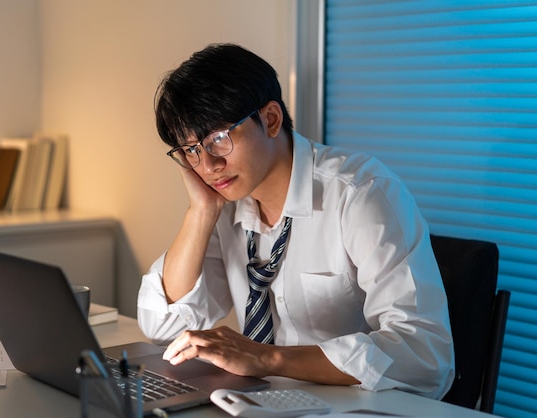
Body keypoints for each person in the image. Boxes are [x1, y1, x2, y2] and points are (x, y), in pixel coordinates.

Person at [137, 43, 454, 399]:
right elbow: (162, 326)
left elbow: (425, 353)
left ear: (270, 120)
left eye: (218, 140)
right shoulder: (226, 202)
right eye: (190, 150)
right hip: (261, 403)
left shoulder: (361, 194)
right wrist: (200, 211)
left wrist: (268, 358)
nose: (208, 166)